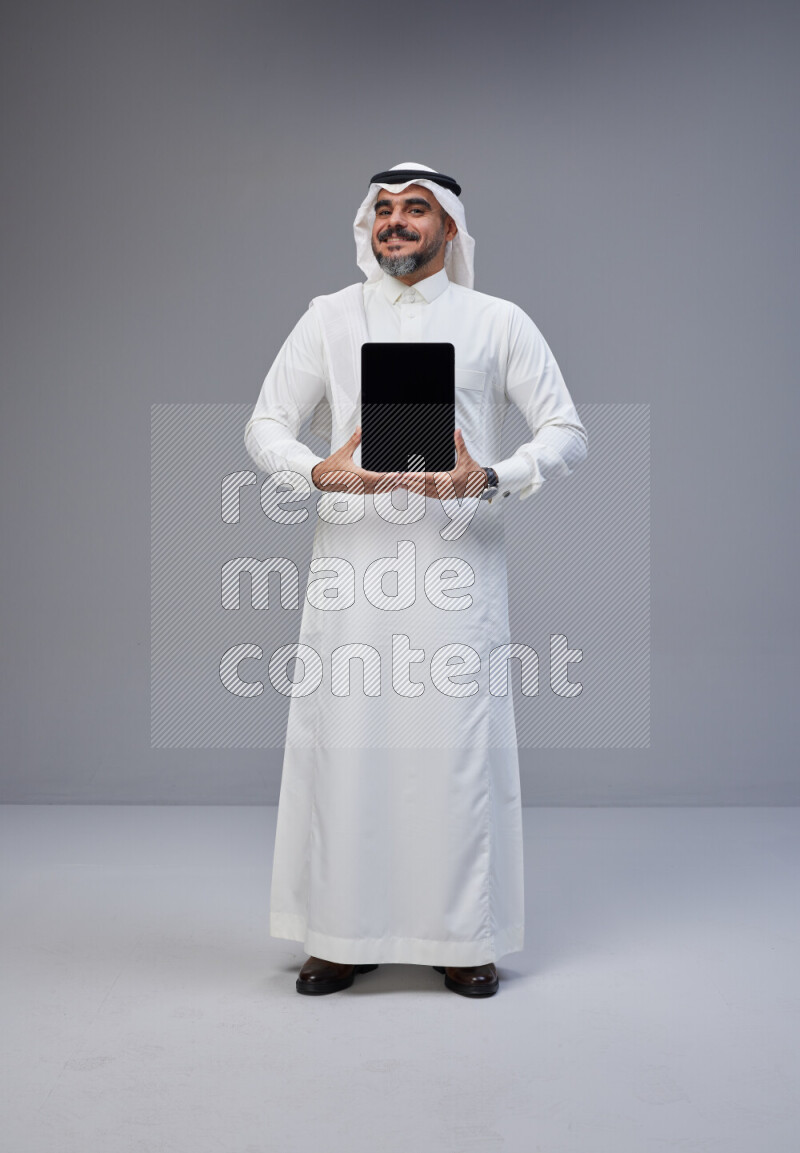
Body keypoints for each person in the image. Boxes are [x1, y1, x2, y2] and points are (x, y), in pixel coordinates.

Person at [243, 162, 587, 998]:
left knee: (455, 751)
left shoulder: (496, 321)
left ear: (450, 228)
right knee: (347, 745)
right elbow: (265, 424)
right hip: (353, 571)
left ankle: (461, 936)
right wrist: (317, 472)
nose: (395, 221)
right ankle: (339, 935)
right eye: (384, 209)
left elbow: (567, 431)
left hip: (455, 571)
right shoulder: (329, 317)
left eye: (416, 209)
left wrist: (492, 476)